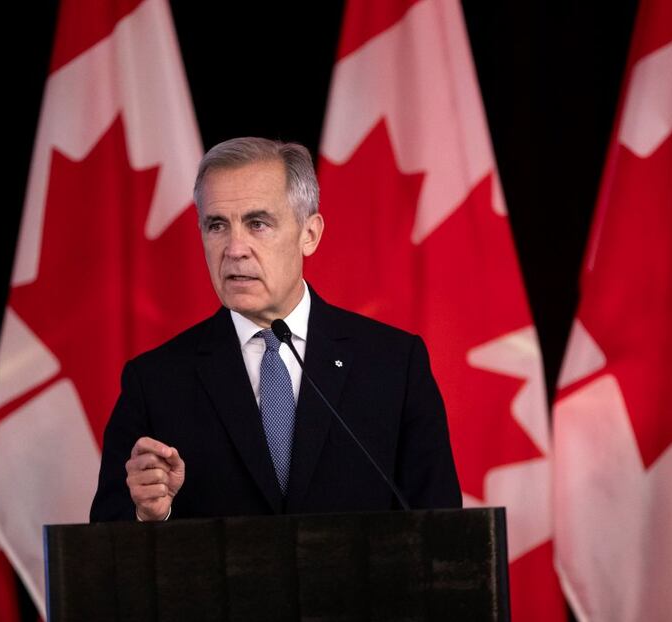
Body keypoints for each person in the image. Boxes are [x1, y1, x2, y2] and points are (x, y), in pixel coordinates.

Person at [89, 137, 460, 522]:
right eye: (217, 225)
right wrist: (149, 516)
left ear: (309, 234)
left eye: (258, 223)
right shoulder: (155, 382)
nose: (235, 248)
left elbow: (443, 532)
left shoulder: (393, 365)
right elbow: (104, 549)